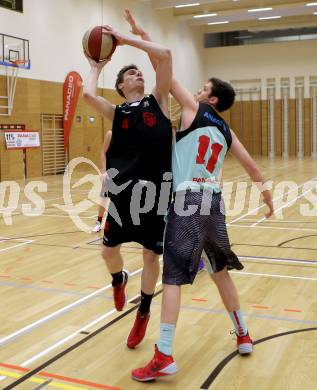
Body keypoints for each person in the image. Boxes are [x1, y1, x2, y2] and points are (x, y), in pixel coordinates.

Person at [123, 11, 274, 381]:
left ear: (212, 99)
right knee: (220, 273)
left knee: (172, 279)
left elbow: (163, 63)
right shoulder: (226, 131)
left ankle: (164, 355)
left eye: (203, 88)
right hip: (214, 203)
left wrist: (138, 36)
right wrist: (268, 198)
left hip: (187, 201)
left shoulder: (194, 109)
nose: (197, 91)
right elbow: (254, 170)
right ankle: (243, 333)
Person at [83, 25, 173, 349]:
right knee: (108, 252)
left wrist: (127, 39)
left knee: (151, 256)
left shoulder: (159, 101)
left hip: (155, 193)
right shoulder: (117, 112)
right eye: (131, 73)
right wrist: (96, 66)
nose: (138, 74)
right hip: (123, 195)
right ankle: (118, 279)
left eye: (139, 72)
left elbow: (165, 56)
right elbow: (87, 95)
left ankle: (144, 312)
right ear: (121, 86)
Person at [92, 131, 112, 233]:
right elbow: (103, 152)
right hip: (110, 171)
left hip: (125, 171)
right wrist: (104, 171)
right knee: (104, 197)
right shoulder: (110, 133)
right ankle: (99, 222)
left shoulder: (131, 134)